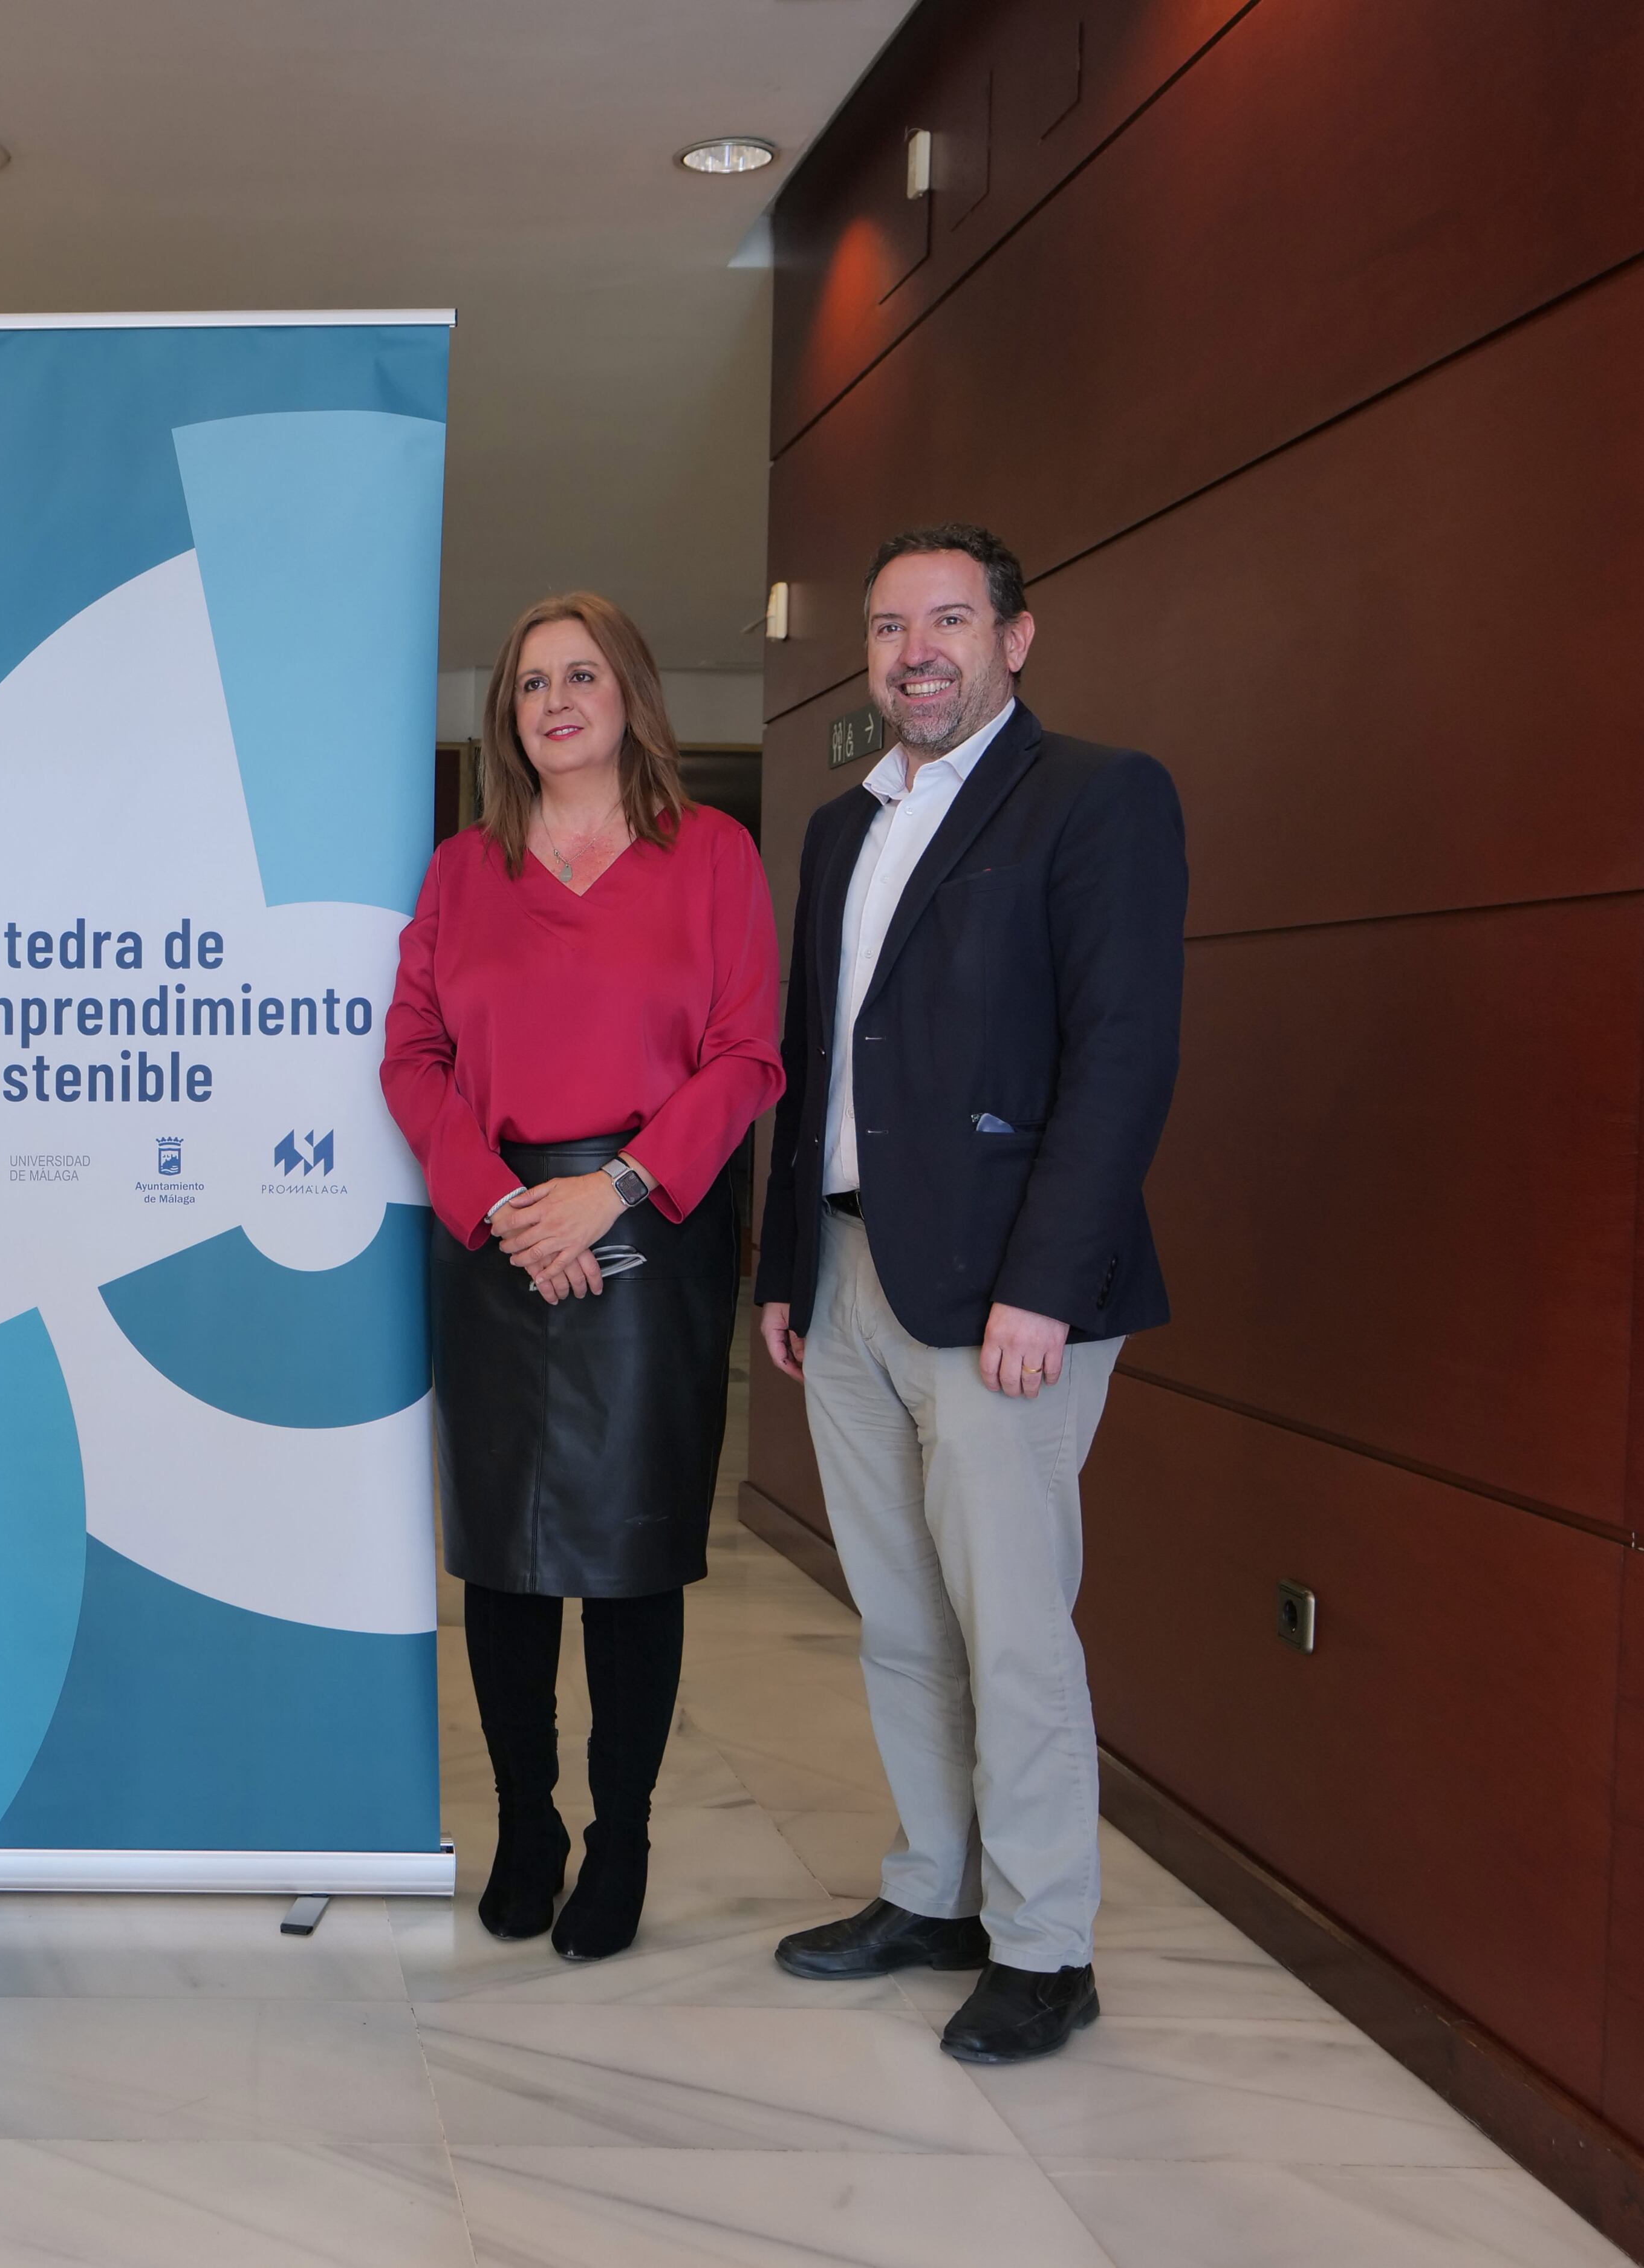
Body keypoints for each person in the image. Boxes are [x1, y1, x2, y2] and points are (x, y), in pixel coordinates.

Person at [758, 524, 1186, 2063]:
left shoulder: (1094, 798)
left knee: (1012, 1631)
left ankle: (1043, 1943)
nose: (912, 648)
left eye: (947, 618)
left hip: (1009, 1296)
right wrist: (785, 1267)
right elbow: (817, 1068)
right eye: (886, 626)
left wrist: (1045, 1288)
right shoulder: (835, 829)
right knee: (896, 1615)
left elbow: (1122, 1057)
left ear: (1016, 637)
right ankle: (934, 1891)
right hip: (854, 1268)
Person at [384, 592, 783, 1962]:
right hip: (494, 1239)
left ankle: (621, 1835)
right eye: (531, 680)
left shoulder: (713, 856)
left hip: (647, 1232)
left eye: (582, 675)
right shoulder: (460, 874)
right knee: (502, 1558)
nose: (555, 699)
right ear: (509, 712)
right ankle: (529, 1825)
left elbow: (744, 1057)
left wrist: (607, 1191)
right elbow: (411, 1058)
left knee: (626, 1561)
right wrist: (503, 1204)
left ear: (629, 696)